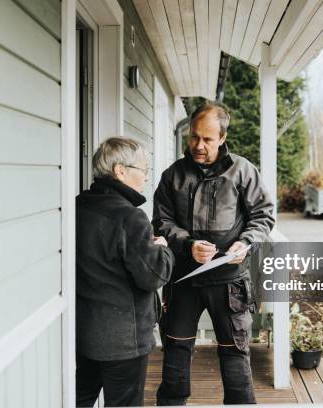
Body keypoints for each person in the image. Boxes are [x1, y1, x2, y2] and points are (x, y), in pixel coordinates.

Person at [153, 103, 275, 405]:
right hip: (183, 279)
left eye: (207, 139)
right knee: (175, 352)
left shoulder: (243, 171)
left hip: (229, 280)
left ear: (222, 137)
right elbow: (161, 222)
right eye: (194, 137)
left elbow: (263, 215)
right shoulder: (173, 175)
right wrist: (187, 244)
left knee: (234, 353)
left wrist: (246, 243)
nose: (198, 145)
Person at [76, 137, 174, 407]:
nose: (145, 177)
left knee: (80, 399)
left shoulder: (78, 206)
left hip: (83, 334)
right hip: (123, 342)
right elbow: (153, 275)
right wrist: (163, 248)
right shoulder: (129, 217)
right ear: (120, 171)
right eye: (143, 170)